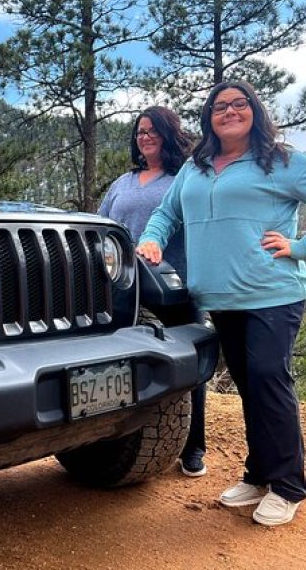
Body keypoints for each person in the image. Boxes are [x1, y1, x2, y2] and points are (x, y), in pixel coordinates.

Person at [136, 80, 306, 526]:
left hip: (273, 292)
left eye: (239, 103)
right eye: (220, 106)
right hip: (220, 296)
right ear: (209, 117)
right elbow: (167, 213)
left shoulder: (279, 161)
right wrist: (152, 239)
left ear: (255, 110)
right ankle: (259, 474)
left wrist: (304, 246)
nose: (229, 111)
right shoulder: (197, 165)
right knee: (250, 385)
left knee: (269, 378)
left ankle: (289, 486)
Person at [98, 106, 207, 479]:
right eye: (140, 132)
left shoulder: (184, 179)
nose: (144, 137)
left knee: (185, 367)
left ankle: (193, 446)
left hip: (172, 287)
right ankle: (124, 438)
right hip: (123, 292)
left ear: (168, 134)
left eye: (152, 131)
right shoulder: (122, 183)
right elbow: (102, 230)